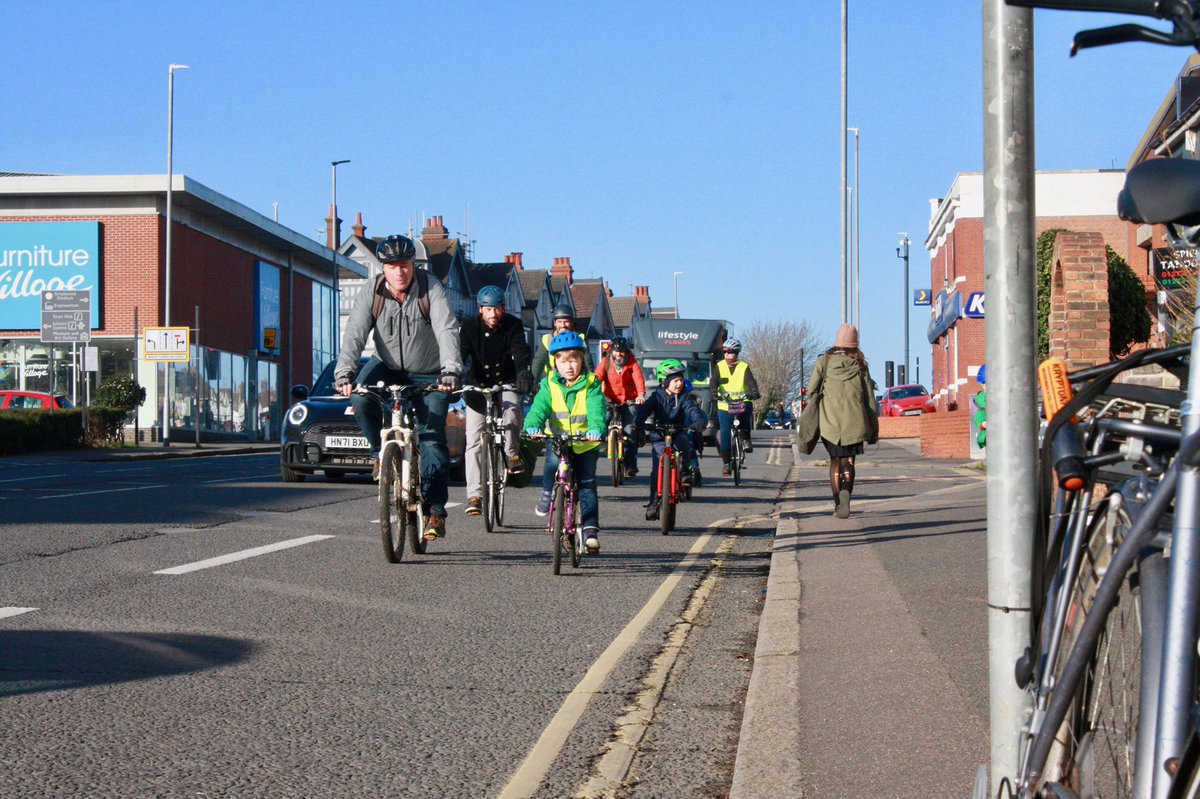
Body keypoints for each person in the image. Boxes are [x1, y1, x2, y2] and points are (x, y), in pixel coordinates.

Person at [334, 234, 462, 541]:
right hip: (387, 366)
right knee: (360, 398)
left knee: (432, 439)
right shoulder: (373, 290)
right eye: (392, 266)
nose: (399, 272)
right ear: (384, 268)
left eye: (404, 265)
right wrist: (344, 374)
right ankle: (380, 453)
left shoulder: (430, 287)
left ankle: (434, 512)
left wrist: (450, 371)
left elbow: (447, 329)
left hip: (430, 372)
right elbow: (354, 333)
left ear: (412, 265)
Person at [523, 331, 605, 553]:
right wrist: (532, 427)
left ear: (581, 360)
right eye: (562, 361)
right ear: (554, 363)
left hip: (585, 443)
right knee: (551, 465)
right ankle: (549, 493)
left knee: (587, 484)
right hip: (558, 439)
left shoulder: (591, 383)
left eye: (573, 360)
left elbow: (596, 410)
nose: (568, 366)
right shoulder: (548, 384)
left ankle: (589, 530)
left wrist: (596, 430)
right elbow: (539, 409)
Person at [459, 285, 534, 517]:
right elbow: (461, 353)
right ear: (480, 309)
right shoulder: (470, 327)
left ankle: (512, 454)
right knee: (473, 439)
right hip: (477, 386)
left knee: (512, 411)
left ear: (503, 308)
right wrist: (455, 374)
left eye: (497, 309)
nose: (493, 315)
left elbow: (521, 351)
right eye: (488, 309)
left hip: (506, 381)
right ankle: (475, 495)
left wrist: (524, 373)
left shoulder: (513, 324)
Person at [806, 323, 878, 519]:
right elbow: (870, 399)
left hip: (830, 422)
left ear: (836, 342)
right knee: (849, 462)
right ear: (855, 344)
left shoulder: (824, 362)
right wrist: (873, 430)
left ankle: (838, 502)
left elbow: (811, 389)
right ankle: (847, 491)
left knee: (835, 462)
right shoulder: (861, 365)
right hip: (855, 421)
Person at [633, 359, 707, 521]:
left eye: (681, 380)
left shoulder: (683, 398)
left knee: (685, 446)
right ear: (665, 382)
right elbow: (644, 411)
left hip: (677, 431)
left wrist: (699, 421)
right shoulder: (656, 397)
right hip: (659, 434)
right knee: (655, 471)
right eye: (675, 380)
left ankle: (686, 472)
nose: (679, 383)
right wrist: (638, 422)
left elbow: (693, 410)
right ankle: (653, 504)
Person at [594, 335, 645, 478]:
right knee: (604, 417)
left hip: (628, 400)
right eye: (616, 351)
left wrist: (640, 394)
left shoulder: (632, 363)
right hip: (609, 399)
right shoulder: (606, 362)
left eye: (622, 351)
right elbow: (597, 377)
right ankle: (602, 442)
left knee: (630, 430)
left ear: (626, 351)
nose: (619, 354)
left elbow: (638, 378)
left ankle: (630, 465)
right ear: (611, 350)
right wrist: (592, 391)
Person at [715, 338, 761, 476]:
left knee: (746, 416)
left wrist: (754, 392)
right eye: (725, 352)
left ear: (737, 353)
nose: (727, 355)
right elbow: (713, 382)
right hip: (725, 405)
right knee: (724, 434)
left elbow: (751, 382)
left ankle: (746, 439)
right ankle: (726, 464)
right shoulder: (719, 366)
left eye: (731, 352)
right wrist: (713, 393)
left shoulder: (743, 366)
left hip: (742, 402)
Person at [531, 303, 594, 378]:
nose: (563, 325)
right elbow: (538, 363)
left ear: (572, 323)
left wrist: (591, 380)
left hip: (576, 381)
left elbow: (587, 362)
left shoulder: (580, 338)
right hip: (554, 383)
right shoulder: (547, 340)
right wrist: (533, 382)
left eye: (566, 321)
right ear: (555, 323)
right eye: (559, 322)